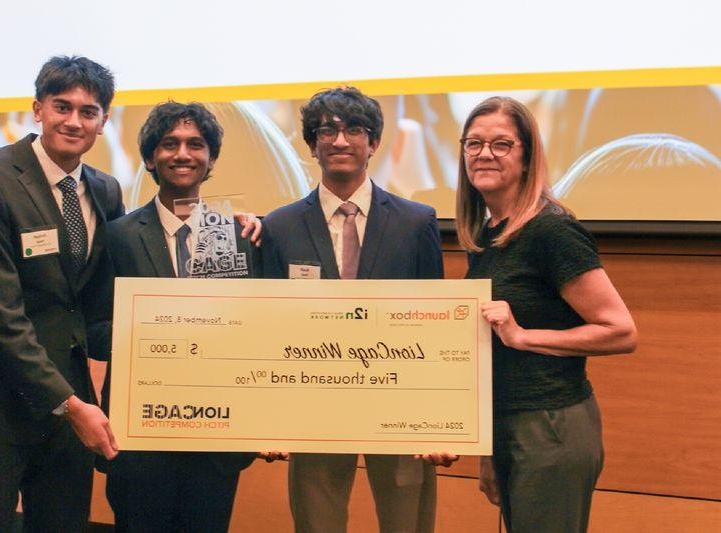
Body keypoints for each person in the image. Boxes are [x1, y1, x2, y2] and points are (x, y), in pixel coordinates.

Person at [0, 56, 123, 532]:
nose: (74, 121)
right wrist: (72, 405)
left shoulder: (106, 191)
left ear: (103, 121)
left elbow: (97, 305)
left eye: (88, 111)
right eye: (62, 106)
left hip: (64, 418)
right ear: (37, 109)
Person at [261, 86, 446, 533]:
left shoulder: (417, 221)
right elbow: (265, 328)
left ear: (375, 142)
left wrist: (442, 417)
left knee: (408, 523)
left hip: (401, 403)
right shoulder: (279, 226)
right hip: (312, 402)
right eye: (328, 130)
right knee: (316, 523)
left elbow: (439, 325)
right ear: (311, 144)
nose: (340, 141)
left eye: (355, 130)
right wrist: (267, 418)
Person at [455, 96, 637, 532]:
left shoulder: (552, 230)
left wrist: (523, 336)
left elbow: (620, 331)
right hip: (511, 425)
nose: (484, 153)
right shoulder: (489, 234)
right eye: (474, 143)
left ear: (527, 156)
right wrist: (487, 446)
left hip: (551, 426)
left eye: (501, 144)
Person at [100, 101, 261, 532]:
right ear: (151, 157)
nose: (183, 153)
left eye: (196, 144)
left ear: (211, 159)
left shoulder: (236, 234)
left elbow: (256, 332)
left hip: (216, 438)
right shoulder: (117, 236)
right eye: (169, 144)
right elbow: (95, 329)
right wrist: (153, 334)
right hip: (139, 438)